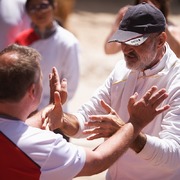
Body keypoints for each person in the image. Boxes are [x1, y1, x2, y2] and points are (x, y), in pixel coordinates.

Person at [45, 3, 180, 180]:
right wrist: (62, 120)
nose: (125, 49)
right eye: (122, 41)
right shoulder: (122, 70)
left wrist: (127, 131)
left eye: (134, 42)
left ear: (161, 40)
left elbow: (174, 157)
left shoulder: (176, 82)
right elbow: (87, 119)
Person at [0, 44, 168, 179]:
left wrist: (52, 107)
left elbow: (19, 129)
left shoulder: (18, 135)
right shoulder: (43, 146)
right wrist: (135, 123)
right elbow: (97, 161)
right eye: (40, 80)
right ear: (33, 92)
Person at [15, 0, 80, 113]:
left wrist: (44, 110)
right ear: (28, 13)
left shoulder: (68, 42)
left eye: (43, 6)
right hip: (23, 113)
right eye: (33, 8)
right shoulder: (22, 40)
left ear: (54, 7)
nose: (39, 11)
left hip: (55, 112)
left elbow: (70, 86)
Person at [104, 0, 180, 58]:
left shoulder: (171, 29)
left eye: (153, 3)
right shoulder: (133, 26)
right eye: (143, 2)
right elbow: (109, 50)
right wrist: (119, 22)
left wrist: (160, 22)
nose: (146, 7)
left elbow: (178, 53)